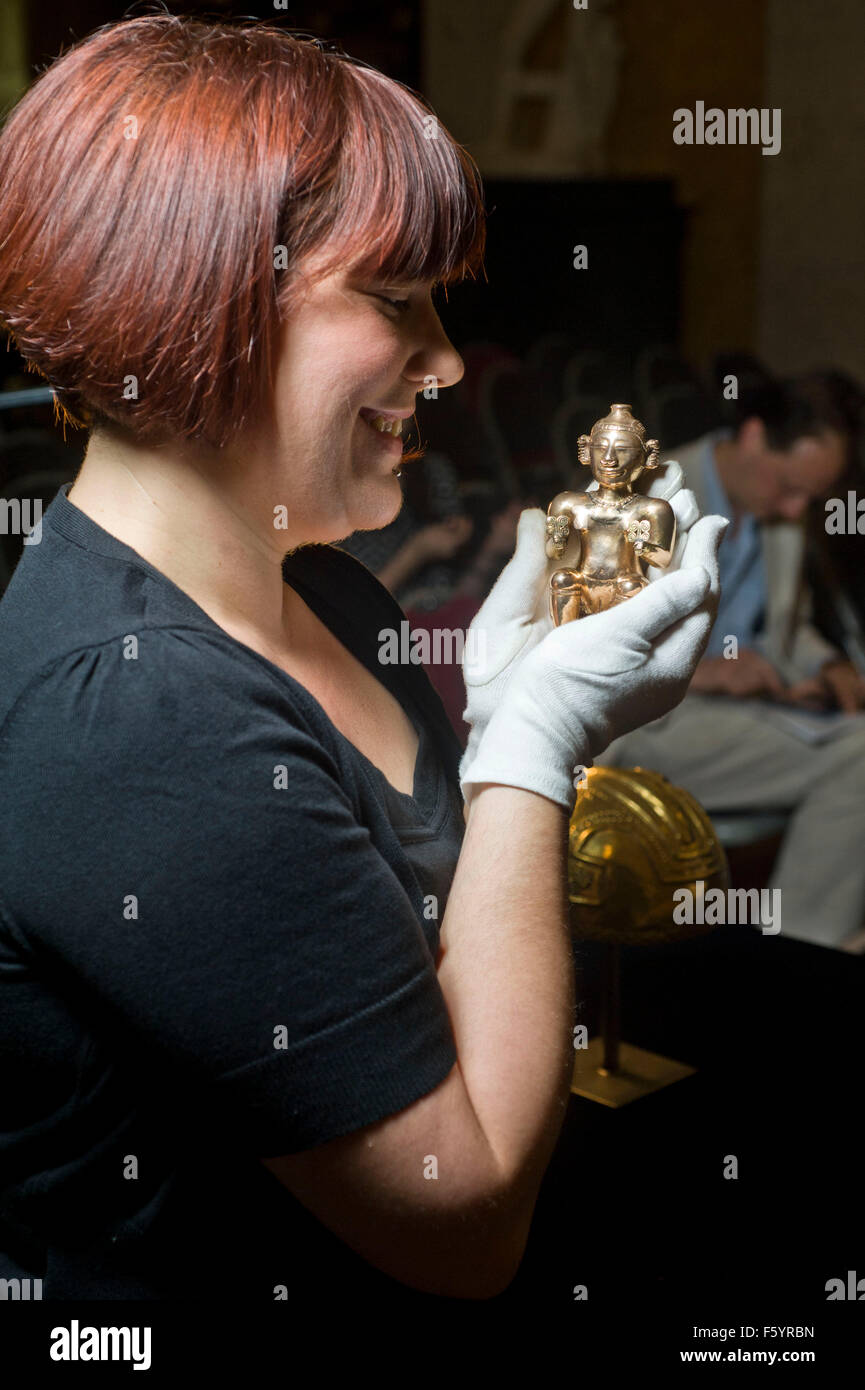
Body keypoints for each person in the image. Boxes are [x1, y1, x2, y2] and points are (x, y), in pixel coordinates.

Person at [0, 14, 723, 1302]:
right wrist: (532, 743)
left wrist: (502, 697)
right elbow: (465, 1215)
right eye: (395, 303)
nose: (445, 361)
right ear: (195, 299)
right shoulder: (136, 714)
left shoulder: (322, 580)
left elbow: (428, 976)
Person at [596, 373, 865, 950]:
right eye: (791, 487)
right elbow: (591, 649)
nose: (797, 508)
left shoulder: (772, 511)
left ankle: (802, 944)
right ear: (752, 434)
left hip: (732, 716)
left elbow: (783, 628)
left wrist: (826, 667)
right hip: (647, 724)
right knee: (860, 760)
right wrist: (711, 672)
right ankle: (805, 955)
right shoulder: (647, 498)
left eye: (808, 497)